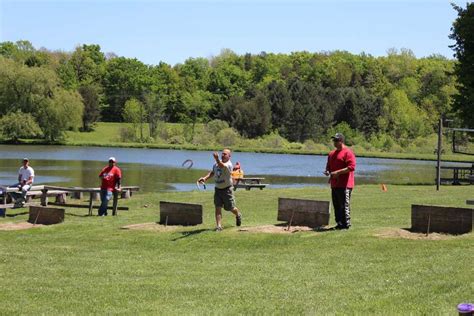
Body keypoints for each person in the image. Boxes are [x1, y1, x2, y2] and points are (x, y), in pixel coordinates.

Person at [198, 149, 242, 231]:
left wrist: (217, 159)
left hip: (227, 189)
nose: (223, 155)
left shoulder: (229, 164)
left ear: (229, 156)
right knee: (217, 207)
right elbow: (213, 172)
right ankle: (219, 226)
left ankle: (238, 214)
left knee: (230, 208)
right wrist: (204, 178)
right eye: (222, 154)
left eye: (225, 154)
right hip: (218, 189)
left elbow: (222, 166)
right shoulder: (216, 163)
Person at [324, 133, 356, 230]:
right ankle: (339, 223)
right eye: (334, 140)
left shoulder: (348, 152)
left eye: (336, 140)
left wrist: (338, 172)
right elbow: (329, 166)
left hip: (345, 184)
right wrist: (327, 171)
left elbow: (351, 167)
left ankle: (346, 225)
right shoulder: (331, 154)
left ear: (341, 141)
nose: (335, 142)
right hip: (335, 184)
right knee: (336, 205)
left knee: (344, 205)